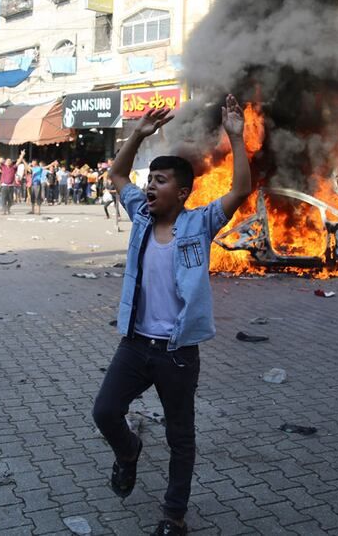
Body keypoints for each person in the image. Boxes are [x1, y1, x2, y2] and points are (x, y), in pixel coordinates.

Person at [92, 96, 251, 536]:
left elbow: (238, 191)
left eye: (158, 181)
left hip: (178, 352)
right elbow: (117, 175)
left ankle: (173, 515)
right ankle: (128, 453)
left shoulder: (199, 224)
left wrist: (236, 137)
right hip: (135, 344)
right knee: (105, 411)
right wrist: (138, 133)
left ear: (181, 192)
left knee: (181, 437)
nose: (148, 187)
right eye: (149, 180)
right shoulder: (141, 217)